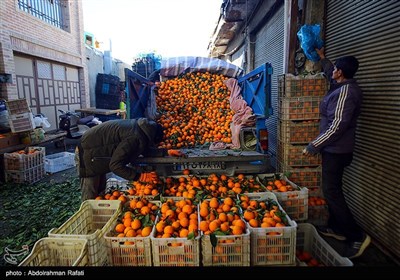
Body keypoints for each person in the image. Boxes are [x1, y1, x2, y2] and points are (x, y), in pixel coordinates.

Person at [303, 47, 371, 259]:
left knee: (331, 191)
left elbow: (337, 126)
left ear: (340, 73)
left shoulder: (346, 93)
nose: (332, 72)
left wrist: (314, 145)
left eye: (335, 70)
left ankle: (356, 236)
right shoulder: (341, 84)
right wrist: (323, 59)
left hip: (336, 150)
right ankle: (338, 228)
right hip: (336, 148)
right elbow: (330, 70)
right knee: (333, 189)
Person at [75, 117, 180, 201]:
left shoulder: (140, 129)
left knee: (100, 192)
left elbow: (145, 150)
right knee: (91, 195)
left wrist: (166, 152)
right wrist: (140, 176)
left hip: (98, 152)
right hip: (87, 152)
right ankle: (88, 224)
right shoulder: (134, 137)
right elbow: (115, 166)